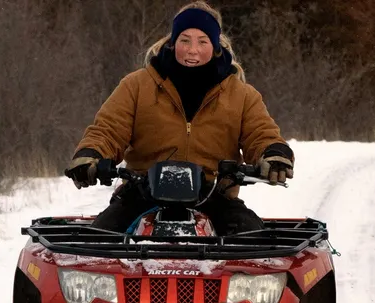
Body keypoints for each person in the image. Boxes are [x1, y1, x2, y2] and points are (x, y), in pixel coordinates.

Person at [65, 2, 294, 235]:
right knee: (100, 242)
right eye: (185, 40)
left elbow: (261, 133)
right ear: (173, 42)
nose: (192, 50)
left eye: (202, 41)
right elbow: (108, 129)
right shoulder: (136, 86)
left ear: (215, 47)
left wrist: (273, 153)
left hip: (214, 196)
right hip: (142, 193)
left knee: (253, 245)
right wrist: (91, 154)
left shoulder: (242, 95)